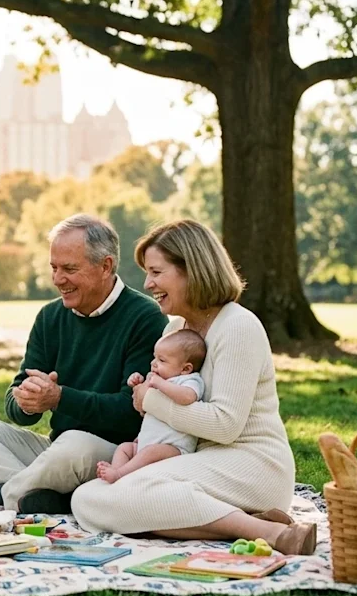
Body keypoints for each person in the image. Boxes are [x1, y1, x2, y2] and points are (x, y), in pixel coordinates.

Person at [72, 219, 316, 555]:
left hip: (253, 464)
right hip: (198, 462)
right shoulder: (175, 330)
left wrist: (151, 400)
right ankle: (249, 523)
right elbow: (153, 400)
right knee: (88, 499)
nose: (148, 283)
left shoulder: (238, 325)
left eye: (157, 272)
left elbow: (225, 425)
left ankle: (270, 532)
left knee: (129, 492)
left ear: (192, 270)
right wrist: (145, 397)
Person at [0, 214, 167, 513]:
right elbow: (17, 404)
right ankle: (46, 496)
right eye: (54, 268)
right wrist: (28, 401)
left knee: (75, 444)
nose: (58, 279)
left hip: (116, 455)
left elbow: (129, 414)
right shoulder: (50, 317)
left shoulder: (144, 317)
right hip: (56, 453)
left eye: (69, 269)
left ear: (105, 266)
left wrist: (60, 397)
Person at [96, 329, 206, 483]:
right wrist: (138, 382)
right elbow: (142, 401)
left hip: (173, 449)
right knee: (124, 448)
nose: (153, 363)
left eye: (162, 360)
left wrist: (159, 384)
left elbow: (188, 397)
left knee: (150, 452)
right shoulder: (159, 377)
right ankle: (116, 473)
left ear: (185, 368)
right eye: (154, 357)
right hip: (146, 443)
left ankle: (120, 474)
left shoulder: (188, 380)